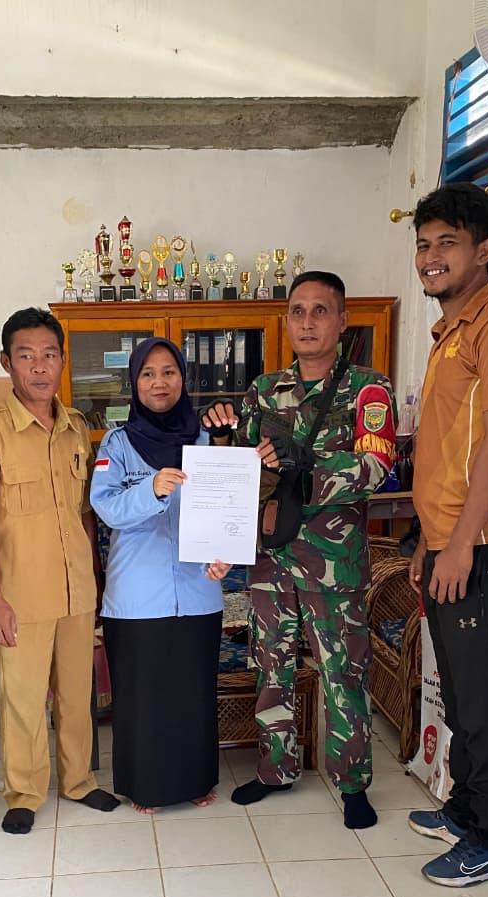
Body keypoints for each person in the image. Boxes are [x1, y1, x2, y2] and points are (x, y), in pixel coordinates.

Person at [203, 271, 397, 828]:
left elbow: (375, 467)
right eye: (298, 311)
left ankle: (352, 782)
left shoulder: (368, 388)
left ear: (342, 321)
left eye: (320, 310)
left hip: (334, 562)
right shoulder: (264, 390)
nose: (307, 322)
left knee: (343, 671)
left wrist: (304, 465)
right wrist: (221, 433)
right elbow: (239, 469)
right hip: (271, 555)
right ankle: (276, 769)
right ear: (287, 321)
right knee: (271, 664)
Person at [407, 182, 488, 886]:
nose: (431, 256)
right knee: (458, 690)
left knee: (483, 696)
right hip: (452, 541)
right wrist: (430, 542)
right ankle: (465, 806)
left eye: (447, 243)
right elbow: (448, 452)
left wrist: (459, 544)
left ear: (485, 250)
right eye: (424, 244)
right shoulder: (450, 334)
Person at [0, 307, 118, 834]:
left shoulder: (76, 429)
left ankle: (79, 781)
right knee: (23, 700)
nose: (40, 366)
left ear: (63, 361)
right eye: (26, 356)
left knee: (77, 695)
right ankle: (24, 792)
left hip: (76, 590)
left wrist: (95, 578)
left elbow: (85, 513)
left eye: (49, 354)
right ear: (7, 363)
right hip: (20, 593)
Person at [90, 338, 228, 813]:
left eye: (169, 372)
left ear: (183, 379)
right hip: (137, 595)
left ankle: (195, 781)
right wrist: (151, 487)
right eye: (148, 374)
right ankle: (144, 787)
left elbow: (223, 511)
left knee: (193, 693)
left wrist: (224, 556)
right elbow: (107, 507)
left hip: (198, 591)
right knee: (142, 699)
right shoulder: (117, 444)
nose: (159, 382)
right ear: (134, 382)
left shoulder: (206, 441)